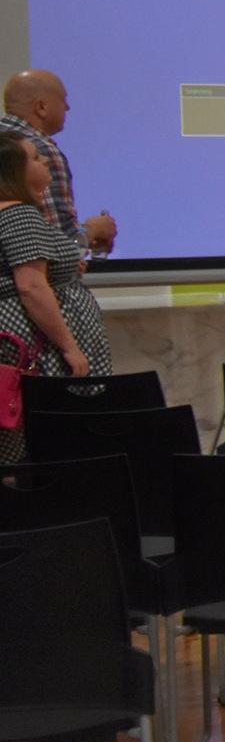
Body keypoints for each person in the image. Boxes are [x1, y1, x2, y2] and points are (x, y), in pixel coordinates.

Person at [1, 135, 114, 464]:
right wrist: (68, 345)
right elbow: (31, 286)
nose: (46, 162)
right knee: (46, 440)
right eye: (36, 158)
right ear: (14, 171)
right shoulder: (19, 214)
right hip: (40, 350)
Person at [1, 68, 116, 258]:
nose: (68, 107)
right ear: (41, 107)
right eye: (63, 100)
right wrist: (93, 229)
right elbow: (61, 251)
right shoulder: (40, 150)